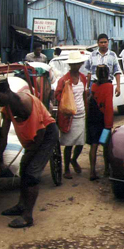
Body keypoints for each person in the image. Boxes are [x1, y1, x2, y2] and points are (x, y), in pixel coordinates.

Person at [0, 76, 59, 228]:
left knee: (32, 173)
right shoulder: (6, 107)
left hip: (46, 135)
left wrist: (30, 154)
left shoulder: (25, 103)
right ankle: (21, 205)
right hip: (34, 139)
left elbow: (40, 135)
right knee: (23, 168)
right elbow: (3, 135)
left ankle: (27, 216)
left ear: (7, 90)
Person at [55, 51, 88, 179]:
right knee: (68, 144)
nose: (76, 66)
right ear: (70, 65)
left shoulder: (83, 78)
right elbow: (57, 95)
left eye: (78, 64)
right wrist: (65, 97)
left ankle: (74, 159)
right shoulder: (64, 80)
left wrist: (87, 111)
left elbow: (84, 95)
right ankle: (67, 168)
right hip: (69, 117)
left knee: (80, 143)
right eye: (73, 64)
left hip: (81, 114)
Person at [86, 65, 114, 180]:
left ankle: (92, 171)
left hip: (92, 119)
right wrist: (109, 124)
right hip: (104, 120)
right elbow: (108, 107)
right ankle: (107, 169)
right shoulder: (109, 86)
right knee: (105, 145)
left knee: (94, 145)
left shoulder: (93, 86)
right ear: (107, 74)